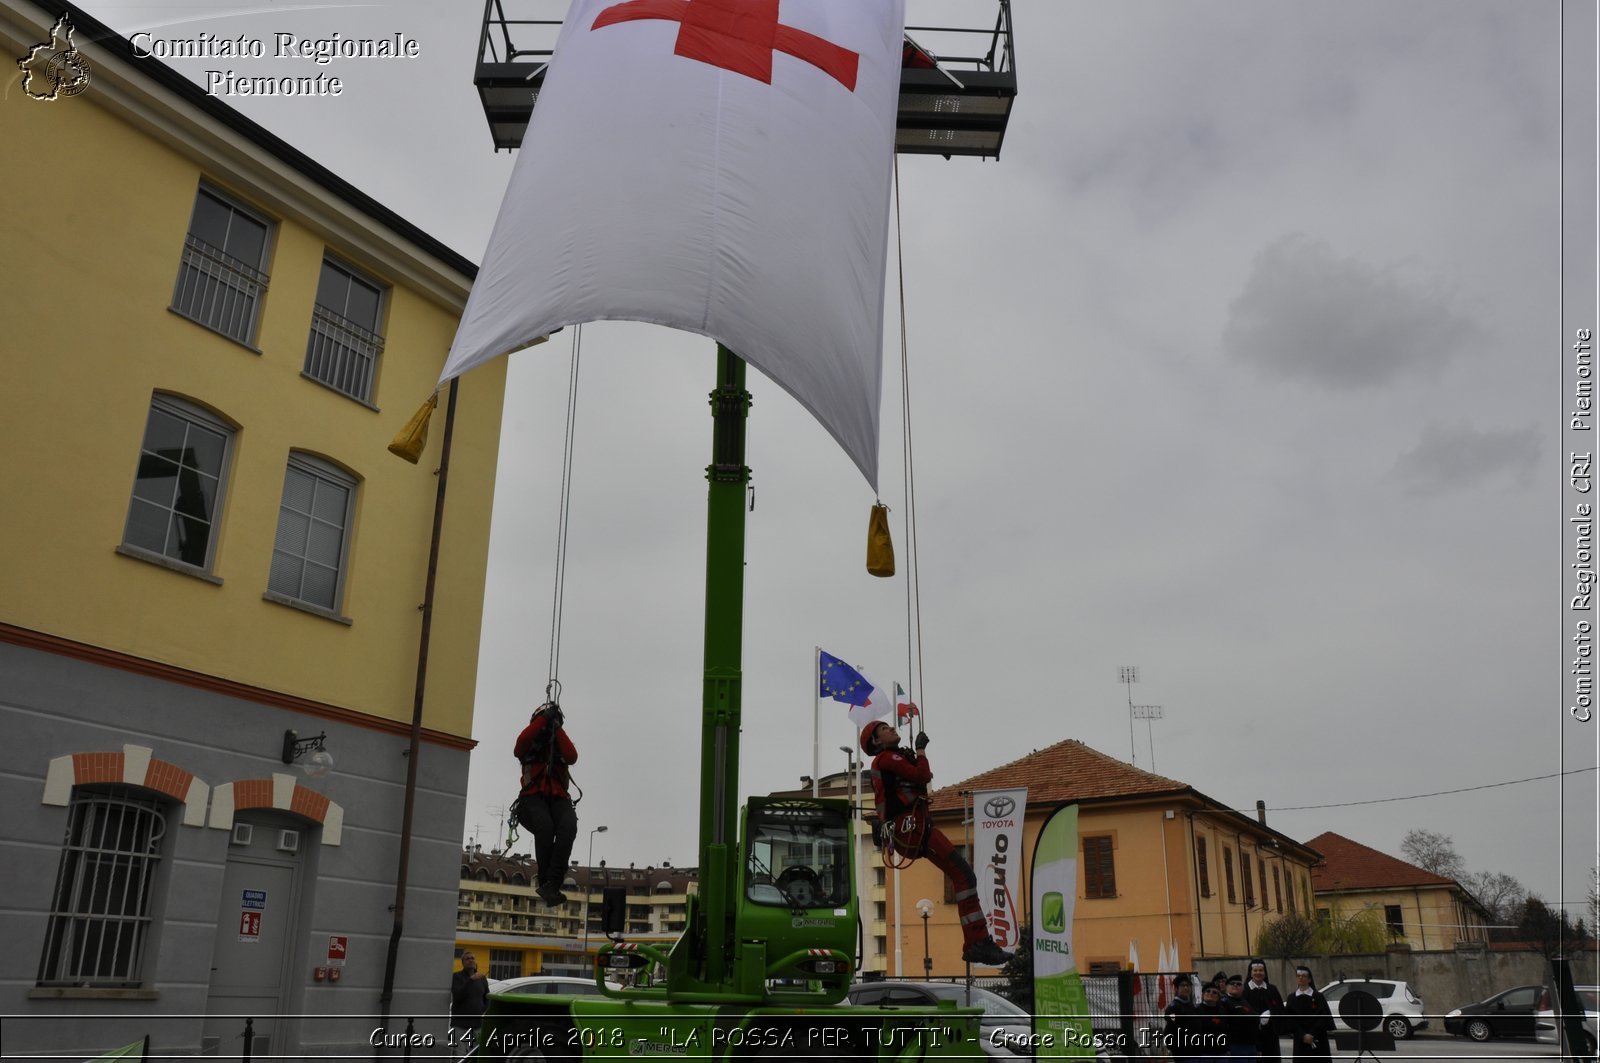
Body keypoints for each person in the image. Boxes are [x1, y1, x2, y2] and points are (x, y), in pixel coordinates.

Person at [861, 719, 1013, 967]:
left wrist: (912, 757)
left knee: (963, 876)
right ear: (877, 742)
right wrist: (920, 751)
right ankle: (977, 942)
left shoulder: (891, 760)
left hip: (913, 829)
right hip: (913, 829)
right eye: (884, 730)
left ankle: (977, 942)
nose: (891, 729)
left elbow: (918, 780)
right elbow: (923, 775)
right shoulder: (887, 758)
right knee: (964, 875)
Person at [514, 701, 578, 905]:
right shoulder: (529, 744)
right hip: (532, 798)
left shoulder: (559, 745)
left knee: (568, 827)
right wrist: (544, 718)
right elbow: (520, 743)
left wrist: (556, 726)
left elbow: (572, 756)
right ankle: (545, 881)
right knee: (546, 828)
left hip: (558, 798)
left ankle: (553, 884)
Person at [1279, 965, 1334, 1060]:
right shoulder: (1291, 998)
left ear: (1309, 980)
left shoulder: (1318, 997)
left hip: (1318, 1039)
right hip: (1300, 1040)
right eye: (1298, 976)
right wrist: (1303, 1035)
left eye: (1304, 976)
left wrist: (1312, 1034)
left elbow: (1324, 1017)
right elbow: (1290, 1019)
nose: (1301, 978)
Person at [449, 951, 490, 1059]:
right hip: (460, 1026)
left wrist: (483, 1011)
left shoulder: (482, 978)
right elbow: (458, 996)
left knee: (474, 1057)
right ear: (462, 962)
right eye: (467, 958)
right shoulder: (456, 977)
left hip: (477, 1027)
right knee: (460, 1057)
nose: (471, 960)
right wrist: (470, 981)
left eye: (472, 958)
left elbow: (487, 997)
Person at [1243, 958, 1284, 1063]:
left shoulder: (1272, 989)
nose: (1258, 973)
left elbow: (1281, 1009)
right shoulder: (1244, 990)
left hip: (1270, 1037)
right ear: (1250, 973)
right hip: (1251, 1036)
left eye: (1261, 970)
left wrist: (1271, 1012)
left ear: (1265, 972)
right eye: (1255, 970)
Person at [1220, 974, 1259, 1058]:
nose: (1235, 985)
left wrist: (1258, 1047)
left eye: (1238, 984)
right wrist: (1226, 1048)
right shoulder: (1223, 1003)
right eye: (1232, 983)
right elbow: (1222, 1027)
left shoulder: (1245, 1002)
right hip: (1235, 1046)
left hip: (1251, 1046)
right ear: (1226, 987)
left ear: (1243, 988)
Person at [1162, 976, 1198, 1062]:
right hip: (1182, 1053)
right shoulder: (1173, 1008)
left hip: (1195, 1051)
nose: (1186, 988)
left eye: (1188, 985)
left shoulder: (1191, 1005)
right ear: (1176, 989)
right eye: (1183, 985)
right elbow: (1170, 1030)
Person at [1192, 982, 1229, 1061]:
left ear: (1218, 997)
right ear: (1202, 995)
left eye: (1214, 992)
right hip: (1204, 1053)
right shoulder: (1196, 1011)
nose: (1211, 993)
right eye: (1208, 991)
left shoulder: (1222, 1011)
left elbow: (1226, 1030)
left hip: (1221, 1052)